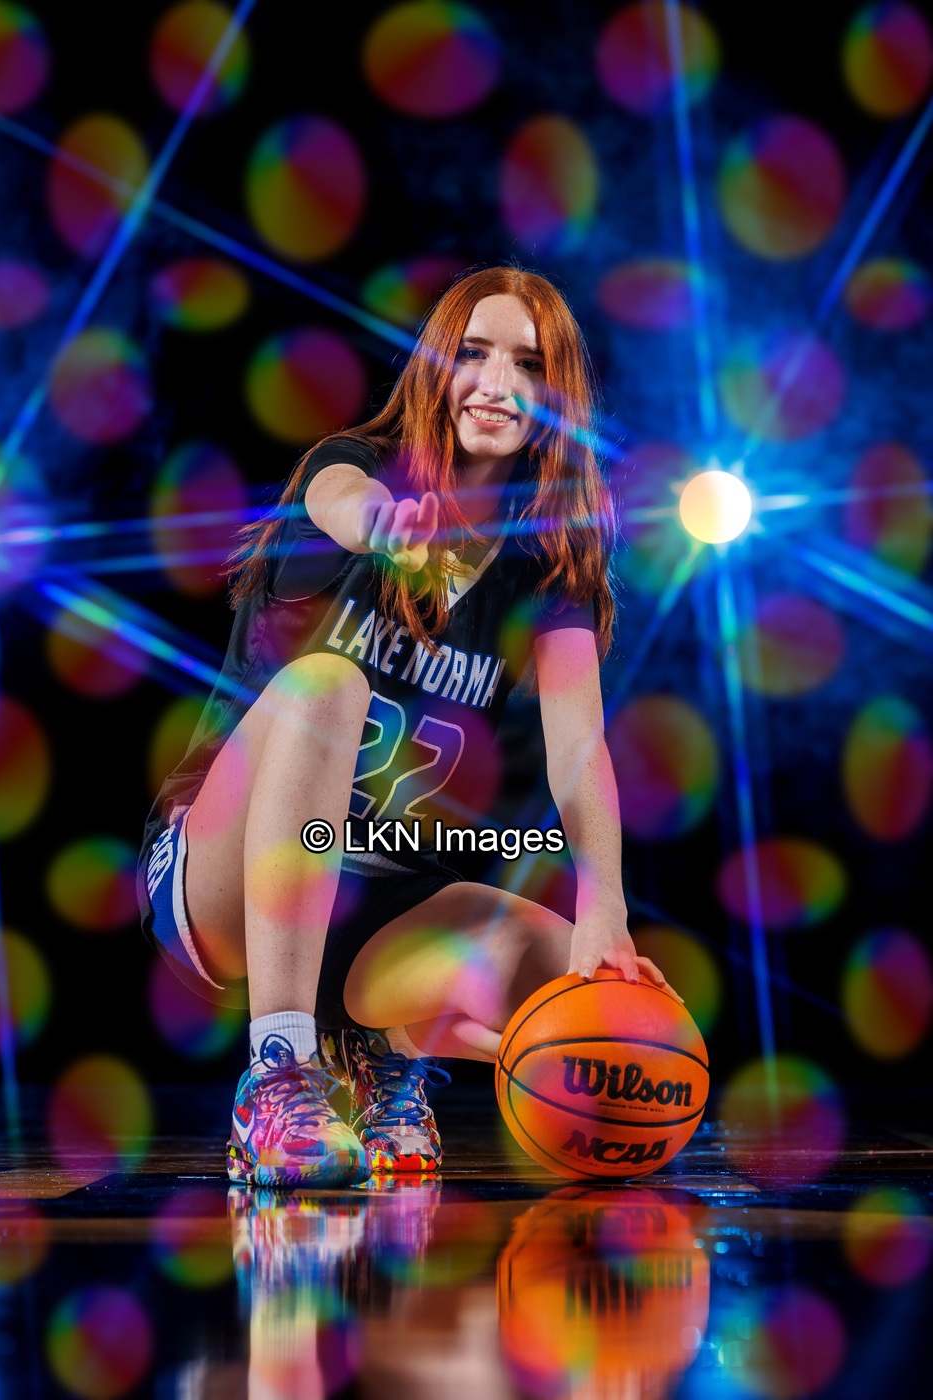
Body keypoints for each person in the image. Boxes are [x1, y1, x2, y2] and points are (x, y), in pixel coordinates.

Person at [138, 265, 679, 1190]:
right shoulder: (355, 466)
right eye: (472, 354)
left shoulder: (546, 570)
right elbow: (340, 502)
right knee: (327, 686)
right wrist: (383, 526)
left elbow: (578, 747)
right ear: (435, 368)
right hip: (220, 876)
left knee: (598, 987)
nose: (497, 384)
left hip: (379, 904)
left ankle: (380, 1052)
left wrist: (607, 911)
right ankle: (278, 1073)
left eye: (529, 364)